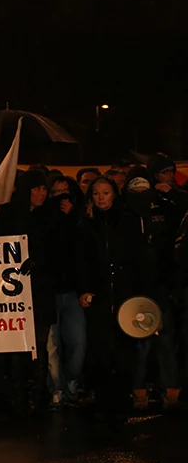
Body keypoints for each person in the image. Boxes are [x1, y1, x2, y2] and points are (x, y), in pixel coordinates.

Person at [76, 176, 148, 420]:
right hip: (100, 294)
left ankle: (123, 396)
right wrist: (84, 290)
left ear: (114, 194)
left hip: (126, 293)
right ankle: (104, 397)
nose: (101, 198)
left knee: (126, 347)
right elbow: (82, 261)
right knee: (101, 347)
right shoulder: (86, 224)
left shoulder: (128, 221)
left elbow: (140, 258)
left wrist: (140, 291)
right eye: (96, 194)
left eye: (105, 193)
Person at [0, 170, 56, 415]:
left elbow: (58, 249)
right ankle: (17, 395)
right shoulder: (6, 213)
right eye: (36, 189)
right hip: (12, 292)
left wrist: (38, 261)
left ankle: (36, 396)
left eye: (44, 189)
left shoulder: (50, 215)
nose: (41, 194)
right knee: (17, 344)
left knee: (38, 344)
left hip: (40, 290)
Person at [122, 173, 182, 410]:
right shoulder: (123, 218)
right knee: (139, 341)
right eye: (135, 193)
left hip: (161, 286)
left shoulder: (165, 214)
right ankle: (138, 389)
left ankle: (171, 388)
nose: (140, 197)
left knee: (164, 338)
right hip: (135, 290)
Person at [45, 174, 87, 407]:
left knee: (78, 344)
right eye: (55, 193)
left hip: (73, 291)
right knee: (53, 347)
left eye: (65, 192)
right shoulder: (45, 219)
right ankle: (57, 389)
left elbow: (84, 249)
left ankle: (72, 382)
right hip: (51, 291)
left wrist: (73, 217)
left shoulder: (81, 218)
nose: (60, 197)